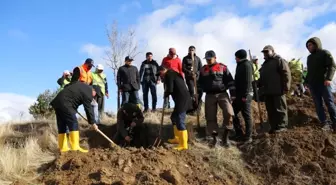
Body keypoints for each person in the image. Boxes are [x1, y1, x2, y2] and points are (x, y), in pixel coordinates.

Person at [199, 50, 236, 147]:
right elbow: (199, 84)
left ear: (215, 58)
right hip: (209, 95)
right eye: (206, 59)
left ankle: (225, 137)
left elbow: (230, 82)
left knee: (229, 113)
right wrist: (197, 96)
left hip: (222, 94)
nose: (208, 61)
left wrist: (233, 94)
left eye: (210, 59)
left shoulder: (222, 67)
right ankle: (215, 139)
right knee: (210, 117)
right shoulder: (203, 70)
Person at [50, 81, 98, 153]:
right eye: (95, 95)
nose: (94, 97)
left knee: (62, 125)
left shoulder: (81, 85)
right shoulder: (88, 92)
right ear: (94, 90)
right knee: (73, 123)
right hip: (66, 104)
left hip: (57, 102)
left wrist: (73, 108)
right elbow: (88, 109)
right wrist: (93, 123)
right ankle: (75, 148)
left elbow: (71, 93)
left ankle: (63, 148)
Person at [305, 37, 336, 131]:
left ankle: (335, 122)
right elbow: (309, 72)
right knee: (318, 104)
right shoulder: (309, 58)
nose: (309, 47)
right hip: (313, 85)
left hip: (324, 83)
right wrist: (306, 82)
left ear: (316, 44)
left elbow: (332, 66)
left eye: (310, 45)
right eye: (307, 46)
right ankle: (324, 122)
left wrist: (328, 78)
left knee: (329, 103)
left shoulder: (325, 53)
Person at [259, 45, 291, 134]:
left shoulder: (279, 60)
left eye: (267, 51)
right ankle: (274, 127)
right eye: (264, 52)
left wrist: (286, 86)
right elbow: (263, 77)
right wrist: (258, 82)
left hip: (278, 90)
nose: (265, 54)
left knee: (280, 109)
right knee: (271, 110)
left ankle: (282, 126)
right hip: (268, 91)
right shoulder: (265, 64)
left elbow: (286, 73)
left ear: (272, 51)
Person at [158, 65, 191, 151]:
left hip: (182, 99)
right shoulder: (174, 74)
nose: (160, 75)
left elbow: (170, 88)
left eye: (160, 73)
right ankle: (177, 138)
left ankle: (184, 144)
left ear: (164, 70)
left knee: (180, 120)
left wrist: (166, 93)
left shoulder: (169, 74)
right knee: (173, 117)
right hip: (181, 99)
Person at [232, 49, 253, 143]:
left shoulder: (246, 65)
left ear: (239, 57)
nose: (235, 58)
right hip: (238, 95)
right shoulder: (240, 65)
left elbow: (248, 81)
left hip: (245, 95)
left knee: (247, 116)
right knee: (233, 112)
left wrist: (246, 95)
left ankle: (248, 137)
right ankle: (239, 133)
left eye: (236, 57)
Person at [182, 46, 203, 114]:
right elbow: (183, 68)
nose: (191, 51)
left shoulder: (197, 58)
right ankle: (190, 109)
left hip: (197, 78)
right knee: (192, 93)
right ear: (188, 50)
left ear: (195, 51)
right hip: (189, 78)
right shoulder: (185, 58)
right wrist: (189, 72)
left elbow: (201, 69)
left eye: (193, 50)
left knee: (199, 92)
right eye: (190, 50)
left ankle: (197, 108)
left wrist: (196, 74)